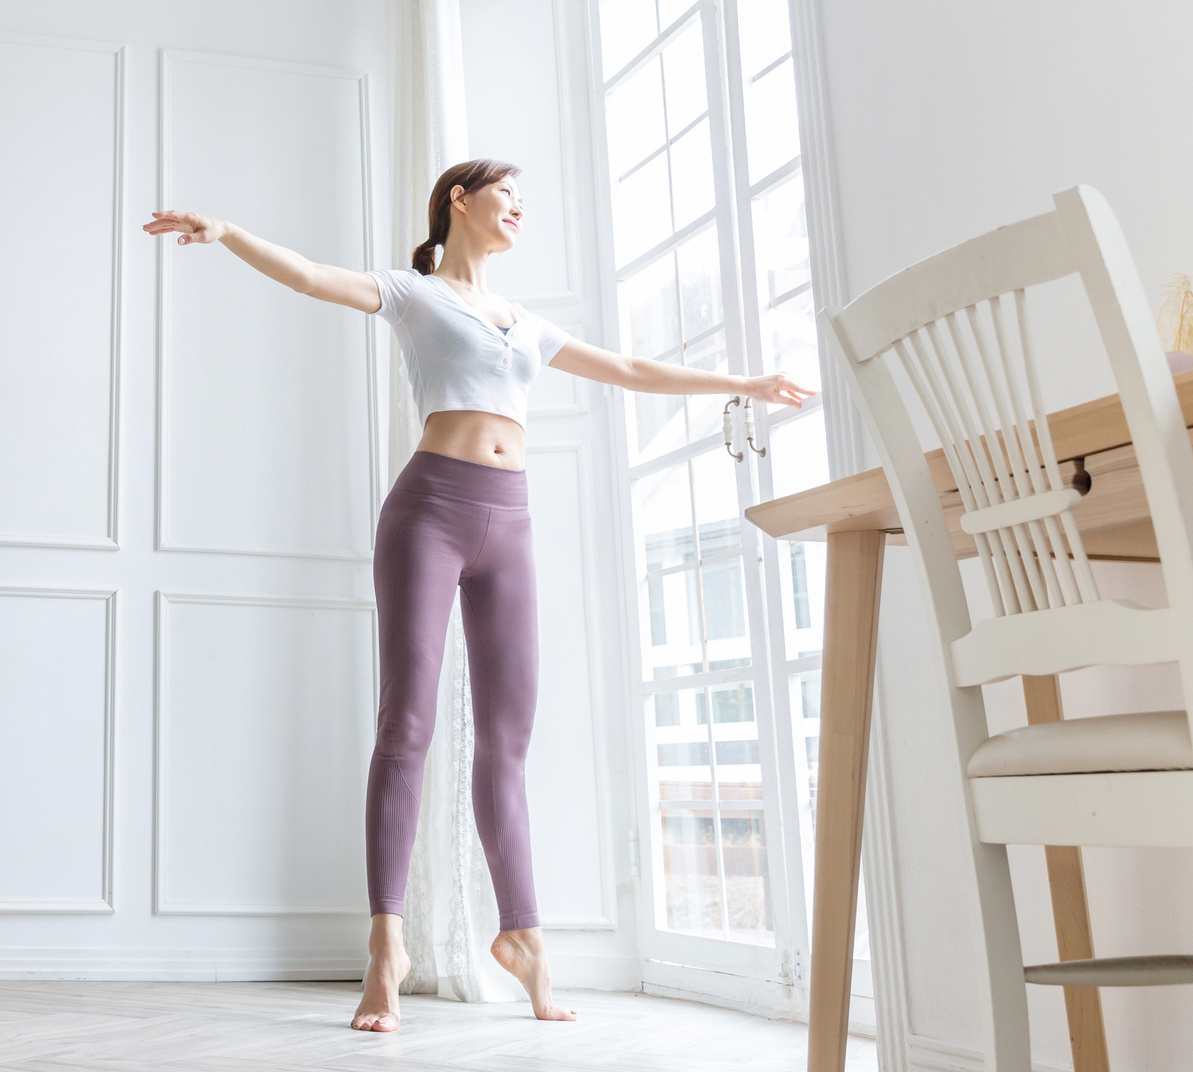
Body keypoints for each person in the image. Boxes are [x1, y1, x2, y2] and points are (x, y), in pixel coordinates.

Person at [143, 158, 814, 1033]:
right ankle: (388, 943)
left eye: (525, 201)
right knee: (407, 727)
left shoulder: (525, 323)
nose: (519, 211)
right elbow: (314, 276)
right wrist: (228, 232)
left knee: (507, 741)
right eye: (507, 196)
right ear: (461, 201)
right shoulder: (415, 293)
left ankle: (523, 936)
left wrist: (748, 385)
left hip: (512, 524)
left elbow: (633, 368)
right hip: (428, 511)